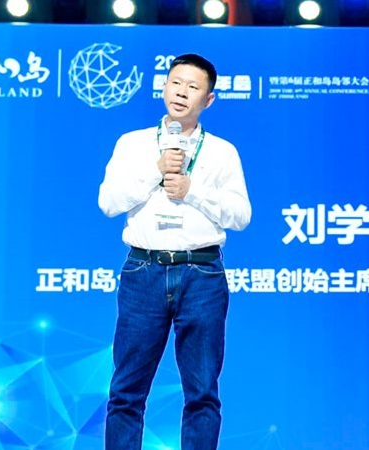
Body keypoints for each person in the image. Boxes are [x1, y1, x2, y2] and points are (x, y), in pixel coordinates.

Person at [96, 53, 250, 450]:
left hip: (202, 274)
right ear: (163, 87)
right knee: (126, 391)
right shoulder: (132, 144)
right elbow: (108, 203)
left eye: (193, 87)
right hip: (143, 271)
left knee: (202, 392)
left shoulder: (222, 152)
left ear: (208, 99)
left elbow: (241, 216)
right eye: (175, 83)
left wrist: (193, 191)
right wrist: (157, 169)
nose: (182, 92)